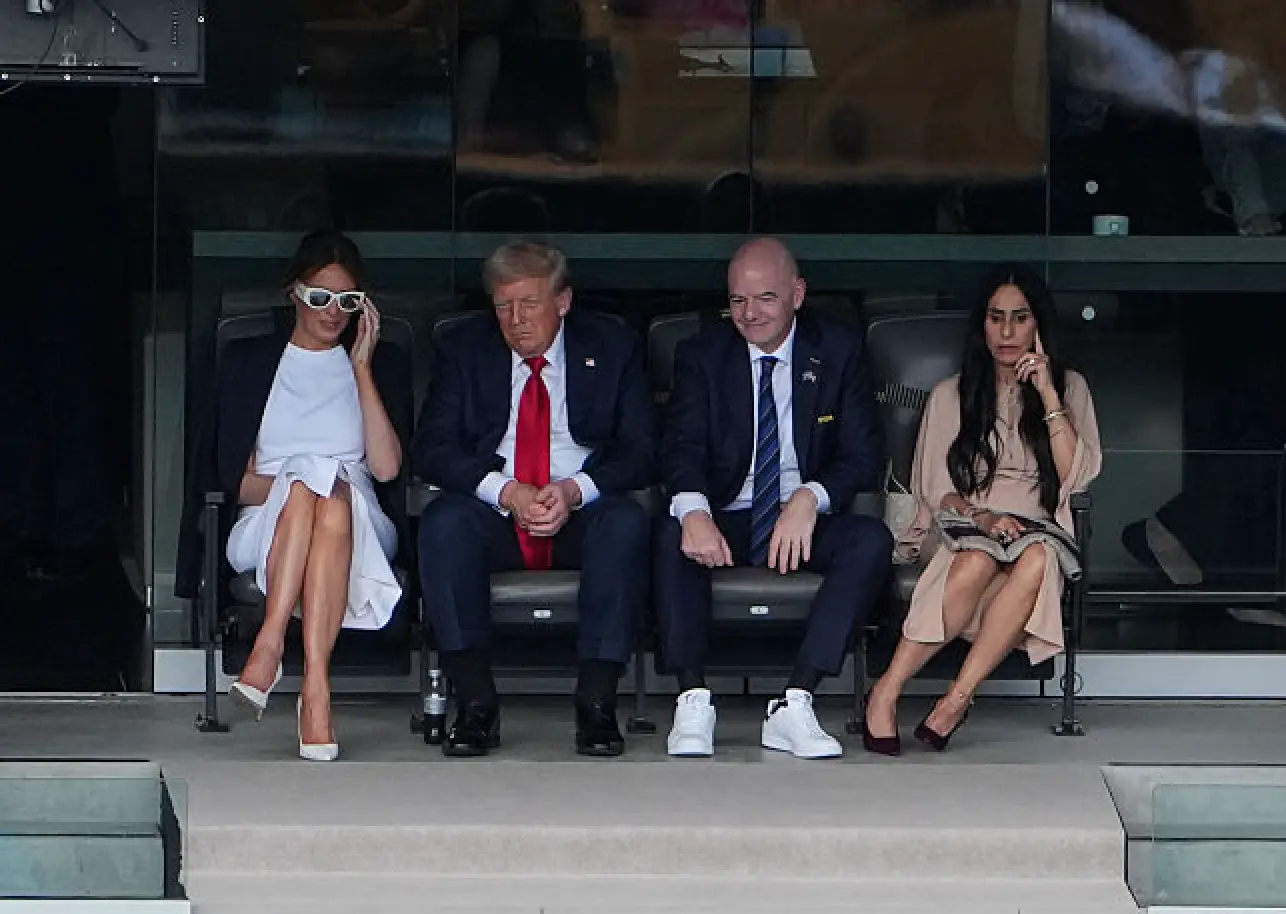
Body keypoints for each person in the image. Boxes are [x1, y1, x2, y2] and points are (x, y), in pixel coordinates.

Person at [655, 238, 891, 760]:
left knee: (869, 540)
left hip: (801, 518)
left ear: (797, 294)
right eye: (737, 300)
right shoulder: (702, 353)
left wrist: (810, 496)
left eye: (765, 298)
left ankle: (795, 700)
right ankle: (692, 698)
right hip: (730, 514)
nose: (750, 314)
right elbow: (681, 446)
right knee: (673, 533)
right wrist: (694, 511)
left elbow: (862, 453)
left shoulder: (837, 348)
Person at [415, 242, 653, 758]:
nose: (515, 320)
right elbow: (431, 449)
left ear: (563, 301)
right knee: (442, 524)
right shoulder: (465, 348)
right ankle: (476, 704)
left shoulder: (612, 345)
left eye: (529, 304)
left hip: (579, 508)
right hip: (496, 508)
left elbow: (641, 449)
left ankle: (596, 704)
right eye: (503, 305)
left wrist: (574, 490)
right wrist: (506, 490)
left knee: (626, 524)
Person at [177, 229, 406, 762]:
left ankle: (271, 646)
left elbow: (387, 468)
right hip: (266, 523)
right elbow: (235, 479)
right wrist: (298, 479)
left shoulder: (377, 364)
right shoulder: (250, 363)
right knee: (308, 484)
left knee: (331, 495)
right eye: (320, 297)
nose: (333, 312)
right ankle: (316, 692)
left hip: (360, 523)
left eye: (347, 301)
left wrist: (362, 368)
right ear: (294, 293)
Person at [862, 264, 1101, 756]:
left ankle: (955, 700)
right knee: (977, 559)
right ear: (982, 326)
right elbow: (937, 492)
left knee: (1038, 557)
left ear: (1038, 325)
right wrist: (984, 520)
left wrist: (1049, 395)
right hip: (963, 524)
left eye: (1020, 318)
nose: (1008, 332)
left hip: (1039, 531)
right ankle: (887, 689)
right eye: (996, 319)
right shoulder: (953, 393)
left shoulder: (1069, 388)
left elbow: (1077, 478)